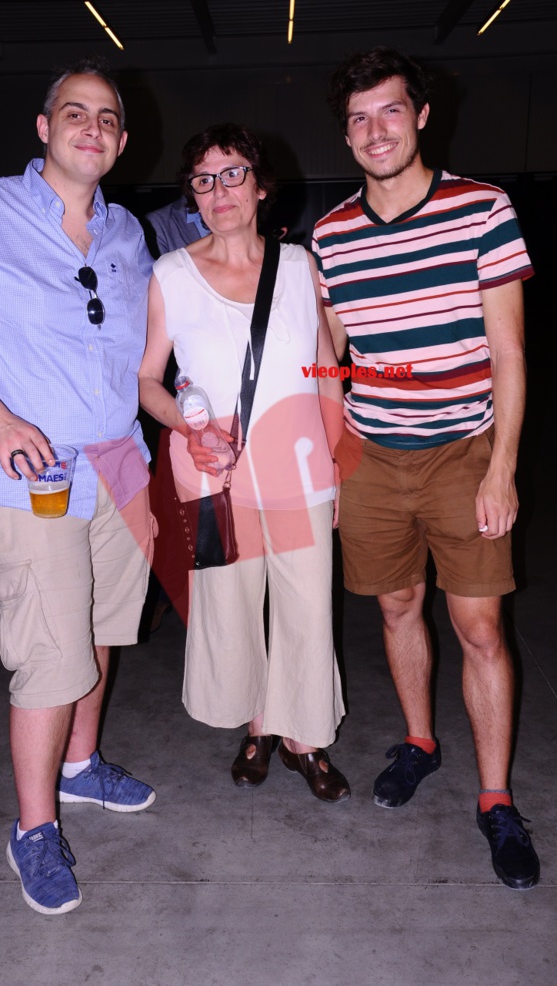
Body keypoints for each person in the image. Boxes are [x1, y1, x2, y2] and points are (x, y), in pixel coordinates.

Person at [0, 57, 156, 915]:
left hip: (121, 463)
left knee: (101, 627)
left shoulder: (128, 235)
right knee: (51, 652)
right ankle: (33, 828)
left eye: (109, 118)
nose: (93, 127)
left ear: (121, 142)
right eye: (75, 112)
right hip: (29, 470)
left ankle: (82, 767)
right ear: (43, 129)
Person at [313, 47, 539, 889]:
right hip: (371, 455)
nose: (376, 131)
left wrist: (502, 467)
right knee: (397, 606)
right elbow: (331, 353)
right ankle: (419, 743)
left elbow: (510, 348)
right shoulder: (331, 234)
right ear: (346, 132)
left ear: (421, 116)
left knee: (479, 628)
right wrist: (333, 450)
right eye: (359, 119)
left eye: (390, 111)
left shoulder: (483, 209)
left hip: (462, 452)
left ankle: (495, 799)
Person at [139, 123, 349, 802]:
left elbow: (325, 368)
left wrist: (337, 461)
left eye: (233, 175)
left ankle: (303, 737)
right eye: (204, 179)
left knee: (306, 607)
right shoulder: (169, 274)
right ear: (191, 197)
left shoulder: (298, 267)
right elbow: (147, 380)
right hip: (214, 474)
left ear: (261, 188)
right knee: (231, 607)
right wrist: (183, 426)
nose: (219, 190)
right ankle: (258, 724)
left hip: (299, 466)